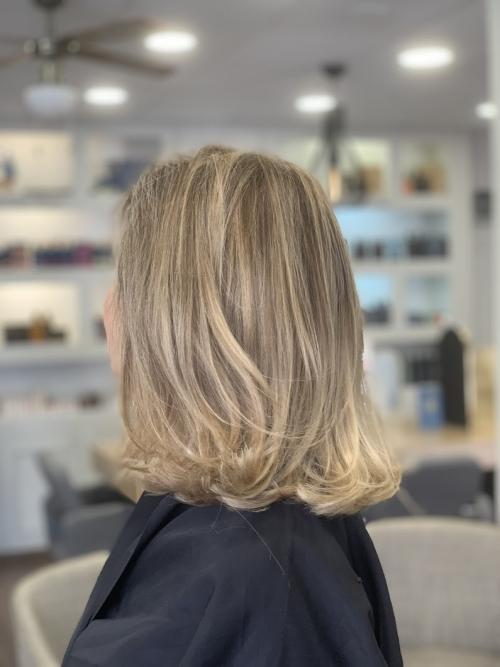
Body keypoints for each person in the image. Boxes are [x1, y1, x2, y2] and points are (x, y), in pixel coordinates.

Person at [63, 146, 402, 666]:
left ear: (174, 329)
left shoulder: (259, 588)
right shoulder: (262, 546)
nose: (108, 303)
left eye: (122, 278)